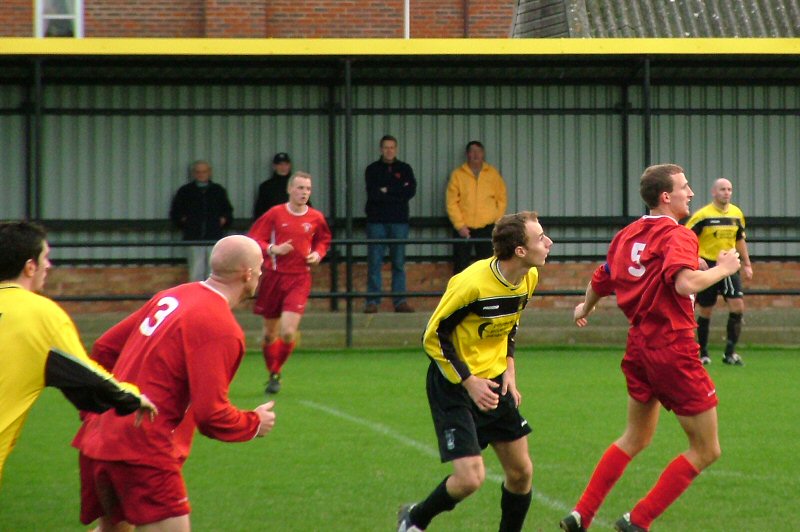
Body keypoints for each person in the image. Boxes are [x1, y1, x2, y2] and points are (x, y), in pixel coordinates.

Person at [559, 164, 741, 532]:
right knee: (707, 449)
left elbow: (602, 277)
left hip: (639, 347)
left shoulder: (627, 233)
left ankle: (581, 514)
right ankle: (637, 521)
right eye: (684, 187)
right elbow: (684, 284)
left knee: (636, 437)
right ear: (665, 196)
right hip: (672, 347)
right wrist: (724, 267)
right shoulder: (680, 235)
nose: (690, 193)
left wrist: (585, 307)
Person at [73, 235, 277, 531]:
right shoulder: (220, 327)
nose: (261, 273)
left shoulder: (174, 295)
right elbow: (211, 415)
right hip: (144, 449)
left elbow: (104, 349)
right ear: (247, 273)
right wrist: (254, 423)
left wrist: (95, 414)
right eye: (260, 267)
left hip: (100, 439)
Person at [398, 211, 553, 532]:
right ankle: (414, 519)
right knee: (470, 479)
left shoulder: (529, 277)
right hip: (455, 385)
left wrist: (509, 367)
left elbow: (511, 324)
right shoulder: (471, 285)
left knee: (521, 472)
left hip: (495, 383)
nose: (548, 242)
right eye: (540, 238)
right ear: (520, 251)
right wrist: (469, 382)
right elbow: (432, 336)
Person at [0, 221, 156, 487]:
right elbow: (86, 376)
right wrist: (132, 398)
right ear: (30, 267)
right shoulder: (40, 313)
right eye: (45, 258)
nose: (49, 266)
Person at [248, 171, 332, 394]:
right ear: (289, 190)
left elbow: (324, 240)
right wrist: (273, 249)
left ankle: (275, 373)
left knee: (287, 332)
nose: (304, 192)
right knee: (269, 335)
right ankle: (273, 373)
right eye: (300, 188)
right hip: (273, 278)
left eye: (307, 189)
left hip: (299, 279)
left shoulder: (316, 217)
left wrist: (317, 254)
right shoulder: (275, 214)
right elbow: (255, 237)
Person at [685, 177, 753, 366]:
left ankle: (730, 353)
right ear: (714, 192)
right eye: (722, 189)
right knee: (706, 310)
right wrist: (696, 258)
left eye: (729, 189)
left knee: (738, 306)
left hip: (729, 265)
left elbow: (740, 239)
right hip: (708, 265)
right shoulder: (703, 215)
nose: (726, 193)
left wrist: (747, 263)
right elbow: (686, 238)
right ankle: (703, 353)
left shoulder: (736, 214)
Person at [364, 134, 417, 314]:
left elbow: (409, 191)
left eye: (392, 147)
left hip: (399, 222)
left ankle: (400, 301)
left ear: (396, 149)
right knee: (374, 262)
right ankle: (372, 301)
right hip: (376, 222)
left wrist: (387, 190)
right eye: (386, 147)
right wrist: (397, 190)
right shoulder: (372, 170)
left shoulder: (405, 168)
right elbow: (373, 194)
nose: (389, 150)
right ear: (381, 149)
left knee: (399, 263)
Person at [446, 140, 508, 274]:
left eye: (478, 151)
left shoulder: (492, 174)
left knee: (487, 267)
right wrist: (460, 225)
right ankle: (462, 295)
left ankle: (485, 295)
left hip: (487, 228)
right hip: (463, 229)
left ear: (483, 154)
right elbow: (451, 202)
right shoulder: (458, 175)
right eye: (472, 151)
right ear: (467, 154)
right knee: (461, 267)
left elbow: (501, 199)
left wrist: (496, 222)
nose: (475, 155)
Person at [169, 160, 234, 281]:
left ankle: (211, 298)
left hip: (213, 237)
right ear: (194, 173)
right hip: (193, 237)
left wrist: (224, 220)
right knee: (195, 272)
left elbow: (228, 210)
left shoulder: (218, 190)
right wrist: (185, 222)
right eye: (198, 172)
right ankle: (197, 298)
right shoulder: (185, 191)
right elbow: (176, 212)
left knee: (213, 272)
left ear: (209, 172)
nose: (201, 174)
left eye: (204, 171)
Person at [253, 152, 294, 220]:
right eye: (280, 164)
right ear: (274, 166)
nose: (283, 167)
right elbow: (259, 211)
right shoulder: (266, 187)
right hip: (273, 224)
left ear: (289, 166)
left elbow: (306, 206)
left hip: (294, 223)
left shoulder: (298, 185)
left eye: (286, 164)